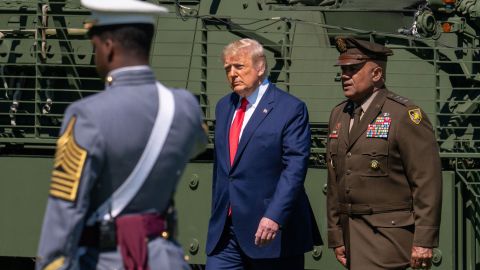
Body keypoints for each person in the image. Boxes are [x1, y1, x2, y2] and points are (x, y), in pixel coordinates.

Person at [35, 0, 207, 269]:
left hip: (105, 260)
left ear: (108, 46)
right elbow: (196, 145)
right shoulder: (184, 106)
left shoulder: (86, 115)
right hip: (166, 260)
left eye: (95, 46)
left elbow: (66, 208)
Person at [326, 36, 442, 270]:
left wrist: (424, 241)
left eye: (353, 69)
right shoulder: (339, 114)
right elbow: (334, 179)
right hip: (351, 236)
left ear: (377, 74)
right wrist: (336, 234)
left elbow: (426, 182)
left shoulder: (404, 115)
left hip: (389, 238)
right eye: (343, 69)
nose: (345, 75)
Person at [205, 38, 321, 270]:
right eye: (228, 68)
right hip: (226, 234)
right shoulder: (224, 106)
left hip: (270, 231)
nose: (232, 74)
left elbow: (295, 168)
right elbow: (224, 168)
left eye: (239, 66)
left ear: (260, 67)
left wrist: (275, 216)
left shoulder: (290, 108)